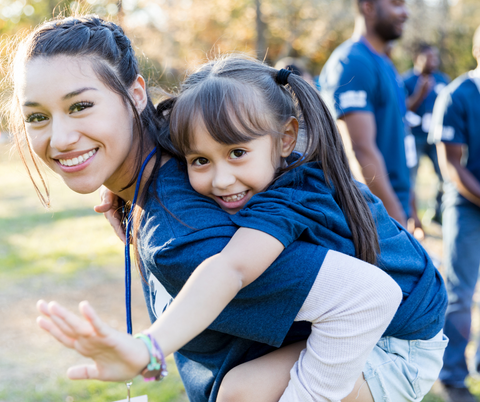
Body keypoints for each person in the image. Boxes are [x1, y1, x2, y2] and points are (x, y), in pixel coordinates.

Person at [11, 15, 446, 402]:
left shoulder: (184, 235)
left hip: (396, 336)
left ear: (136, 93)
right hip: (394, 311)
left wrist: (148, 348)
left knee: (241, 393)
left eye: (81, 105)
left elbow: (364, 295)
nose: (62, 137)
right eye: (37, 117)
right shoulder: (194, 143)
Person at [319, 0, 413, 228]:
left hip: (394, 207)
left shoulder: (384, 63)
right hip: (374, 217)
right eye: (396, 4)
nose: (405, 13)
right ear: (368, 7)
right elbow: (360, 149)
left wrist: (410, 207)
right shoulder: (352, 62)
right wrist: (395, 220)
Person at [429, 25, 480, 402]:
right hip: (466, 206)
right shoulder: (457, 95)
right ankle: (452, 375)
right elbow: (451, 166)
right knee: (460, 293)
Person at [403, 43, 450, 226]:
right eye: (428, 57)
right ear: (417, 58)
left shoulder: (442, 80)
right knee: (411, 176)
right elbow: (403, 110)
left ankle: (436, 212)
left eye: (435, 57)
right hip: (414, 137)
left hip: (437, 137)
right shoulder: (406, 81)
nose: (433, 61)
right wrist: (419, 94)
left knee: (444, 174)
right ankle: (411, 216)